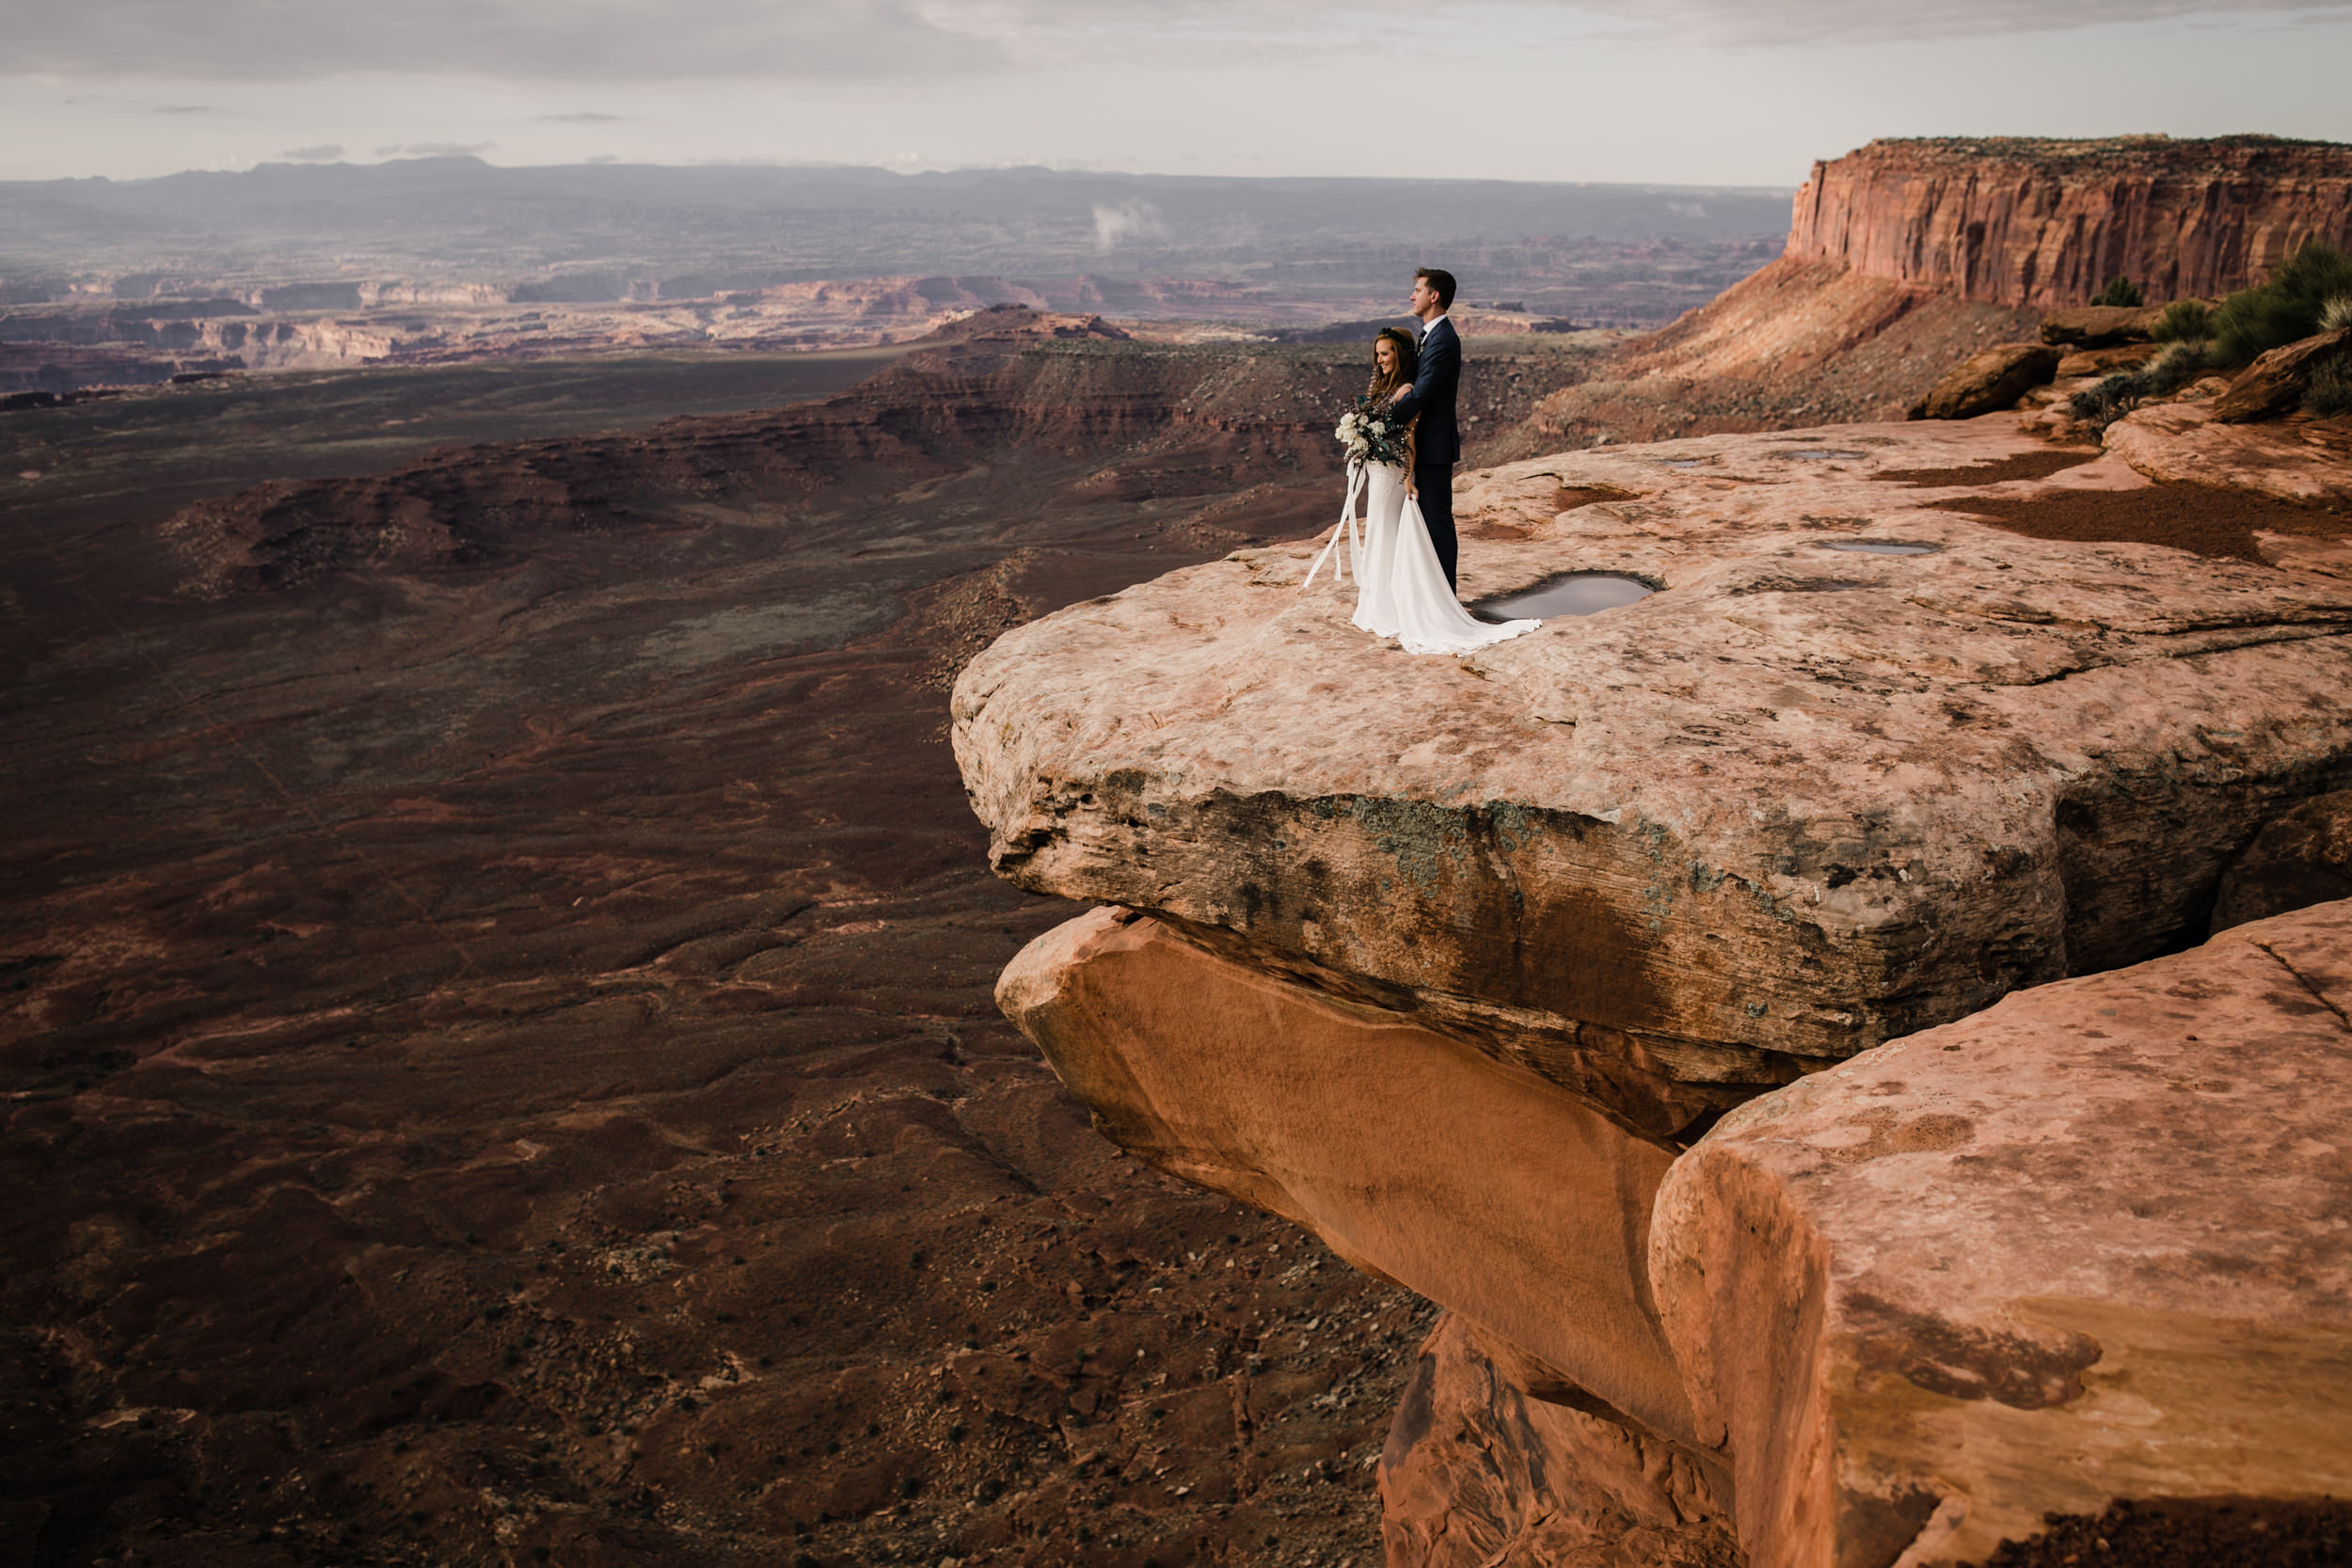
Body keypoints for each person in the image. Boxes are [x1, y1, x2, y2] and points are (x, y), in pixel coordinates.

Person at [1348, 323, 1538, 656]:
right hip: (1379, 471)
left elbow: (1408, 435)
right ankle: (1380, 605)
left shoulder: (1405, 390)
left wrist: (1408, 475)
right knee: (1378, 533)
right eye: (1377, 354)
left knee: (1389, 533)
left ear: (1399, 355)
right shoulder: (1381, 387)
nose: (1379, 360)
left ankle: (1397, 608)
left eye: (1385, 353)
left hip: (1392, 476)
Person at [1389, 266, 1463, 590]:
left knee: (1437, 523)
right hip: (1424, 445)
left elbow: (1422, 393)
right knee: (1426, 522)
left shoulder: (1443, 339)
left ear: (1434, 296)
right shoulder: (1429, 335)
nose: (1411, 296)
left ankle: (1446, 599)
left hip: (1433, 447)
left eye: (1417, 291)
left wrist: (1385, 420)